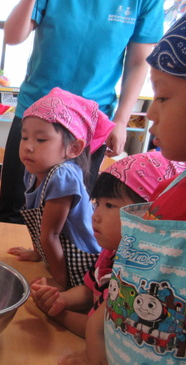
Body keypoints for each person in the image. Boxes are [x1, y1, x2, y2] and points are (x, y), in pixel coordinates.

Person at [59, 0, 186, 365]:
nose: (151, 113)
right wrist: (98, 348)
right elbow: (127, 281)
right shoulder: (174, 185)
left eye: (164, 96)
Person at [0, 0, 164, 224]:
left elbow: (138, 63)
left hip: (90, 122)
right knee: (16, 209)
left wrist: (121, 121)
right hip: (36, 114)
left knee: (71, 216)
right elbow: (13, 37)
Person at [31, 151, 186, 337]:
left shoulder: (140, 272)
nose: (95, 215)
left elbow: (101, 331)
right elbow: (90, 290)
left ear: (147, 213)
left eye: (109, 206)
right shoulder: (111, 252)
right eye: (97, 203)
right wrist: (60, 299)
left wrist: (56, 312)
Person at [9, 87, 111, 289]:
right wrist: (37, 253)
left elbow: (50, 235)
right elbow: (38, 223)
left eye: (41, 140)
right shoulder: (33, 170)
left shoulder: (63, 176)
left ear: (74, 148)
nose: (28, 146)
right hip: (57, 259)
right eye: (25, 137)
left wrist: (60, 282)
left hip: (82, 266)